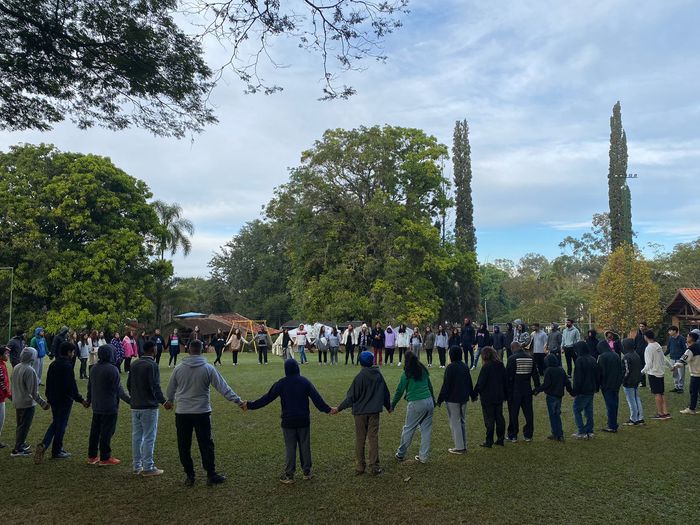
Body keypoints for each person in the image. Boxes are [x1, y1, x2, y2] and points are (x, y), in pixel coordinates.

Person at [166, 340, 243, 486]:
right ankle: (211, 474)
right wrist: (238, 401)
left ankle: (190, 476)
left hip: (182, 412)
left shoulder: (179, 368)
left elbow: (170, 390)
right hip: (201, 411)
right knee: (206, 443)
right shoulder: (208, 368)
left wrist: (169, 401)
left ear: (189, 350)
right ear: (202, 350)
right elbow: (223, 387)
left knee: (184, 445)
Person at [244, 359, 331, 483]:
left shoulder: (281, 383)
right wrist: (328, 410)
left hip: (288, 421)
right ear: (297, 368)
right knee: (305, 445)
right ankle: (307, 472)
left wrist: (250, 405)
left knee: (290, 448)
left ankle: (289, 475)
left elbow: (266, 398)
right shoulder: (304, 382)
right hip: (303, 420)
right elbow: (317, 399)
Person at [335, 351, 392, 475]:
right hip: (374, 412)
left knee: (360, 439)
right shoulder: (378, 375)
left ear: (360, 362)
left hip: (360, 413)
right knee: (373, 438)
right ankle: (374, 466)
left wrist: (339, 408)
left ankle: (360, 466)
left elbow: (351, 397)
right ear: (372, 361)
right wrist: (388, 406)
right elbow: (385, 393)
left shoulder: (359, 377)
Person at [35, 342, 87, 462]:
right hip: (64, 400)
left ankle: (55, 448)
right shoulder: (67, 366)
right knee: (61, 424)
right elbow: (71, 386)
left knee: (57, 422)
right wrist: (80, 399)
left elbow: (49, 382)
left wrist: (48, 398)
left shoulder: (54, 364)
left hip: (54, 399)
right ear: (68, 352)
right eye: (73, 352)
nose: (73, 354)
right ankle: (53, 449)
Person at [127, 340, 169, 476]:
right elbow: (155, 386)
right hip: (149, 406)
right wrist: (163, 401)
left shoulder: (134, 364)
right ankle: (148, 467)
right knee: (149, 436)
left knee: (137, 436)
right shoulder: (152, 365)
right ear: (153, 349)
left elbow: (129, 385)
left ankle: (136, 466)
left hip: (135, 405)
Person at [86, 345, 131, 465]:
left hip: (96, 405)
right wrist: (131, 401)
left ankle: (92, 456)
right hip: (109, 406)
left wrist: (89, 400)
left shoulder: (94, 368)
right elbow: (119, 390)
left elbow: (90, 387)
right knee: (107, 431)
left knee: (95, 431)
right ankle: (105, 457)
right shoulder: (112, 369)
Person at [392, 351, 435, 464]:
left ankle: (400, 454)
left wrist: (392, 405)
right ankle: (423, 457)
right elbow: (430, 386)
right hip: (429, 401)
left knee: (408, 429)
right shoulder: (423, 370)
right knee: (426, 430)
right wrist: (433, 401)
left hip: (416, 403)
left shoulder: (406, 374)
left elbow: (399, 391)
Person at [437, 346, 477, 454]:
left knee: (455, 422)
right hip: (463, 397)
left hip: (452, 399)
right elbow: (469, 382)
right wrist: (472, 395)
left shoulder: (450, 368)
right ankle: (463, 445)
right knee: (462, 421)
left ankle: (459, 447)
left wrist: (440, 399)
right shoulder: (464, 366)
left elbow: (446, 385)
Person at [11, 348, 49, 457]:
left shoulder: (17, 367)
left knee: (20, 424)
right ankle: (18, 449)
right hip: (26, 403)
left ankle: (20, 444)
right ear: (32, 356)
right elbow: (33, 391)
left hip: (18, 401)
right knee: (24, 426)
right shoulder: (29, 370)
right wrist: (43, 404)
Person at [505, 342, 540, 442]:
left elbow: (508, 377)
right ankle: (528, 435)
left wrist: (507, 391)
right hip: (527, 389)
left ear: (512, 348)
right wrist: (537, 387)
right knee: (528, 413)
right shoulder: (530, 358)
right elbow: (535, 374)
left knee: (513, 413)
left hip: (515, 390)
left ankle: (513, 435)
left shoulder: (512, 359)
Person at [534, 353, 573, 442]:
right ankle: (559, 434)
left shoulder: (549, 370)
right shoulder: (561, 370)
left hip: (551, 396)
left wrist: (537, 390)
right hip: (559, 396)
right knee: (557, 415)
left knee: (553, 416)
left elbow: (546, 384)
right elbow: (567, 383)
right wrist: (572, 392)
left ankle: (556, 434)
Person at [475, 347, 507, 448]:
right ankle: (500, 439)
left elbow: (480, 383)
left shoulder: (486, 367)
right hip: (499, 395)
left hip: (487, 397)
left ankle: (489, 441)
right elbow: (505, 380)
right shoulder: (500, 365)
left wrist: (474, 393)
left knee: (489, 419)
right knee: (499, 417)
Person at [641, 330, 673, 420]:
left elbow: (648, 364)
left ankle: (660, 413)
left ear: (646, 337)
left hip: (654, 373)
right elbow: (664, 358)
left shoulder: (649, 348)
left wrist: (641, 373)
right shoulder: (657, 345)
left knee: (657, 394)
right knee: (661, 393)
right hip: (660, 373)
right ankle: (665, 412)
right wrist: (671, 366)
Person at [571, 341, 598, 439]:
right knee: (588, 411)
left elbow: (578, 378)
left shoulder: (580, 360)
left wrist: (575, 391)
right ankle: (589, 431)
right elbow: (597, 375)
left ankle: (581, 431)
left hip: (583, 390)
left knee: (576, 409)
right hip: (591, 389)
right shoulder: (592, 359)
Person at [597, 340, 623, 433]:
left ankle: (612, 425)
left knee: (610, 405)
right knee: (614, 404)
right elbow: (621, 369)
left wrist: (599, 384)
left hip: (607, 384)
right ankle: (613, 423)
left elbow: (600, 372)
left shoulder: (602, 357)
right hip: (616, 384)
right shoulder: (615, 355)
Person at [673, 331, 700, 414]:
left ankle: (691, 409)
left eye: (688, 336)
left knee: (693, 391)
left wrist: (675, 366)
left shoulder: (691, 349)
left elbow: (683, 361)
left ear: (691, 338)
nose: (686, 338)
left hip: (696, 374)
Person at [621, 338, 644, 425]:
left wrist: (623, 380)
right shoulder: (636, 355)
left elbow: (627, 371)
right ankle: (640, 418)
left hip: (629, 381)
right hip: (636, 380)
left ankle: (634, 419)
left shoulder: (627, 357)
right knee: (636, 398)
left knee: (631, 400)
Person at [666, 326, 687, 394]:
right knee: (674, 374)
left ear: (674, 331)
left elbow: (685, 350)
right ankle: (676, 387)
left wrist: (683, 360)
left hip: (680, 360)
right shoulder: (670, 339)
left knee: (681, 374)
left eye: (670, 331)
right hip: (672, 358)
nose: (669, 332)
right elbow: (668, 349)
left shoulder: (682, 338)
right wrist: (662, 355)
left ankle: (680, 388)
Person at [0, 346, 12, 449]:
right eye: (6, 354)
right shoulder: (0, 366)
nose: (7, 355)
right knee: (0, 420)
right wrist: (9, 395)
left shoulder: (2, 364)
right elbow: (2, 383)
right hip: (0, 398)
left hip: (1, 397)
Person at [634, 322, 648, 387]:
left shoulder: (647, 334)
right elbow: (635, 343)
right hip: (638, 353)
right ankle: (642, 382)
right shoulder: (638, 334)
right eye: (640, 326)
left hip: (646, 353)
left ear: (645, 327)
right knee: (640, 367)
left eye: (642, 326)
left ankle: (646, 382)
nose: (641, 327)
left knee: (647, 367)